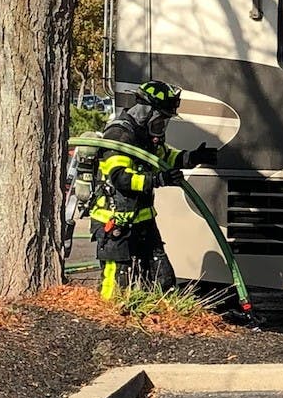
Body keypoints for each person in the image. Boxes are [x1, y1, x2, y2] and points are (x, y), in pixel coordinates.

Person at [92, 79, 216, 299]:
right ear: (147, 111)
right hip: (116, 222)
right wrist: (158, 180)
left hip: (142, 221)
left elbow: (166, 158)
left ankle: (159, 323)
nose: (162, 125)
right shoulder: (119, 135)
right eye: (161, 118)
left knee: (162, 279)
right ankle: (107, 323)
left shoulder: (145, 137)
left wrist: (193, 157)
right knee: (115, 284)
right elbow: (121, 179)